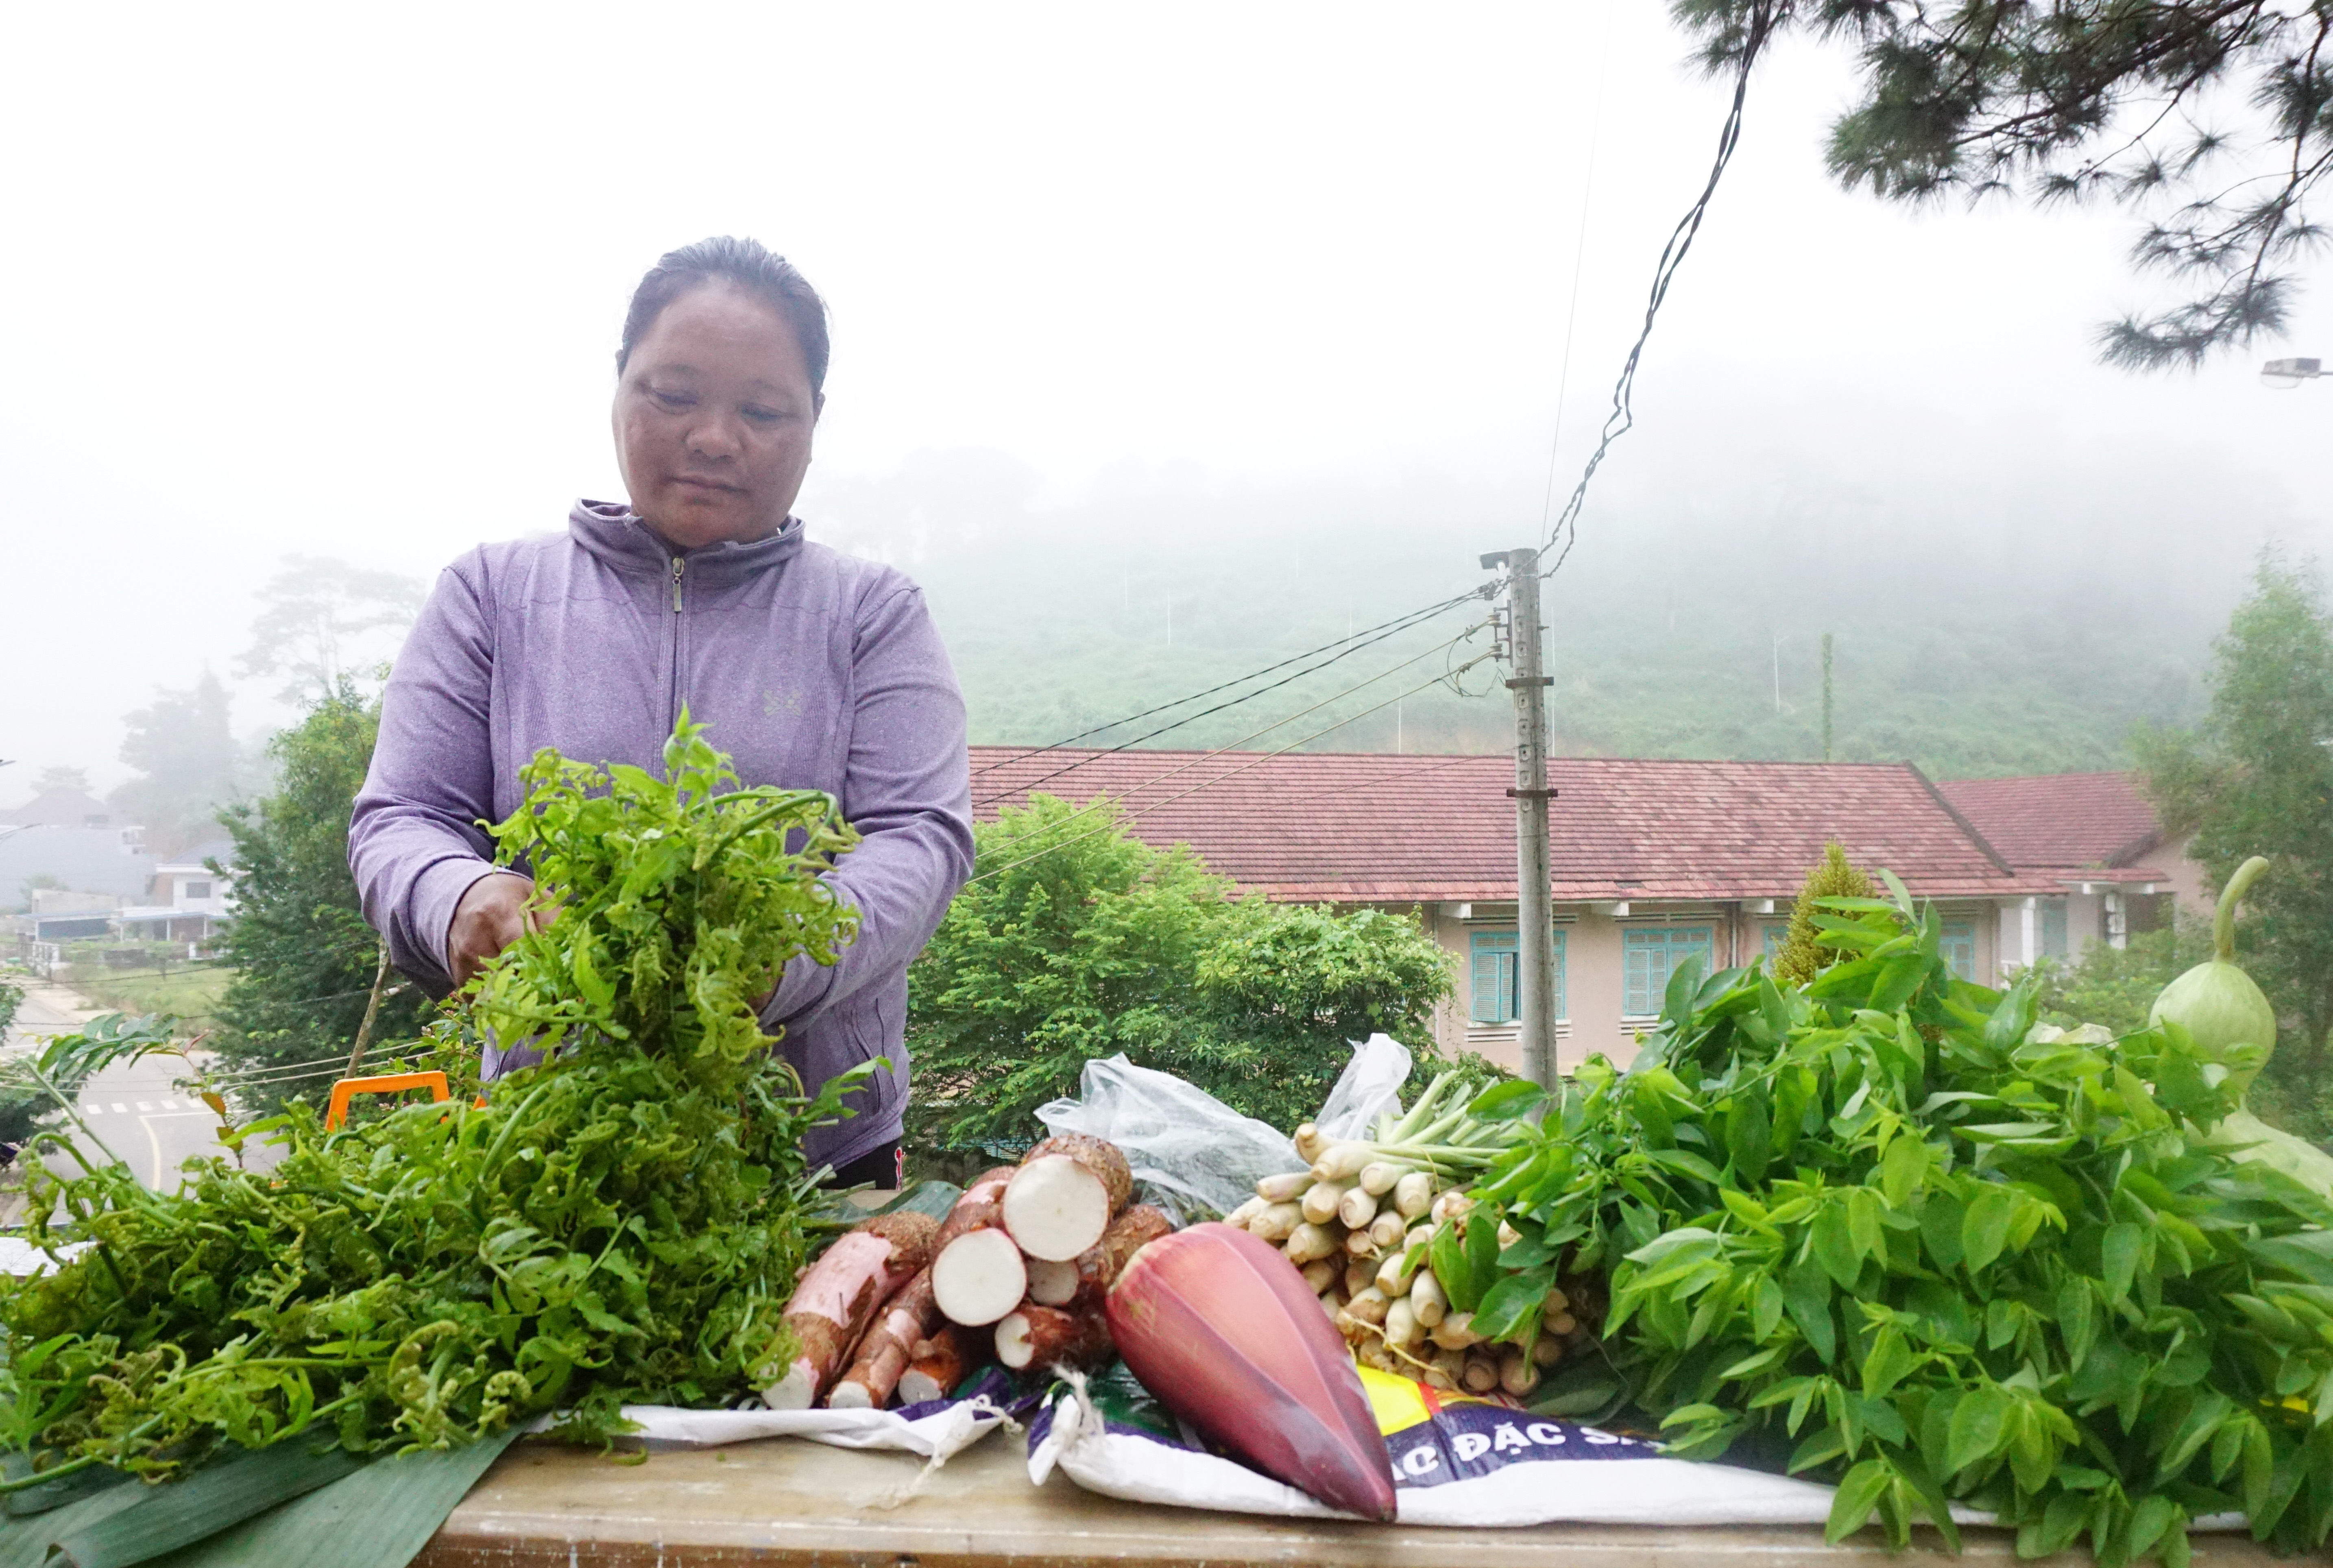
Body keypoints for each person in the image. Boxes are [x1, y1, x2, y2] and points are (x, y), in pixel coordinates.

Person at [349, 237, 974, 1187]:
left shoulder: (870, 615)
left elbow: (918, 838)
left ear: (813, 421)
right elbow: (402, 816)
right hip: (549, 1142)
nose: (716, 437)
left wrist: (779, 955)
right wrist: (460, 899)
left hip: (812, 1151)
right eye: (674, 395)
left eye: (763, 410)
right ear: (618, 387)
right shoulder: (493, 595)